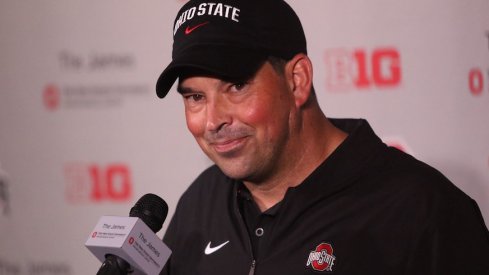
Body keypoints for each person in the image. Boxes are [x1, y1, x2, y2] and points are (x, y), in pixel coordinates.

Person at [155, 0, 489, 274]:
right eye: (195, 97)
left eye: (237, 87)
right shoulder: (200, 202)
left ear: (297, 80)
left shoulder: (423, 210)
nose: (213, 120)